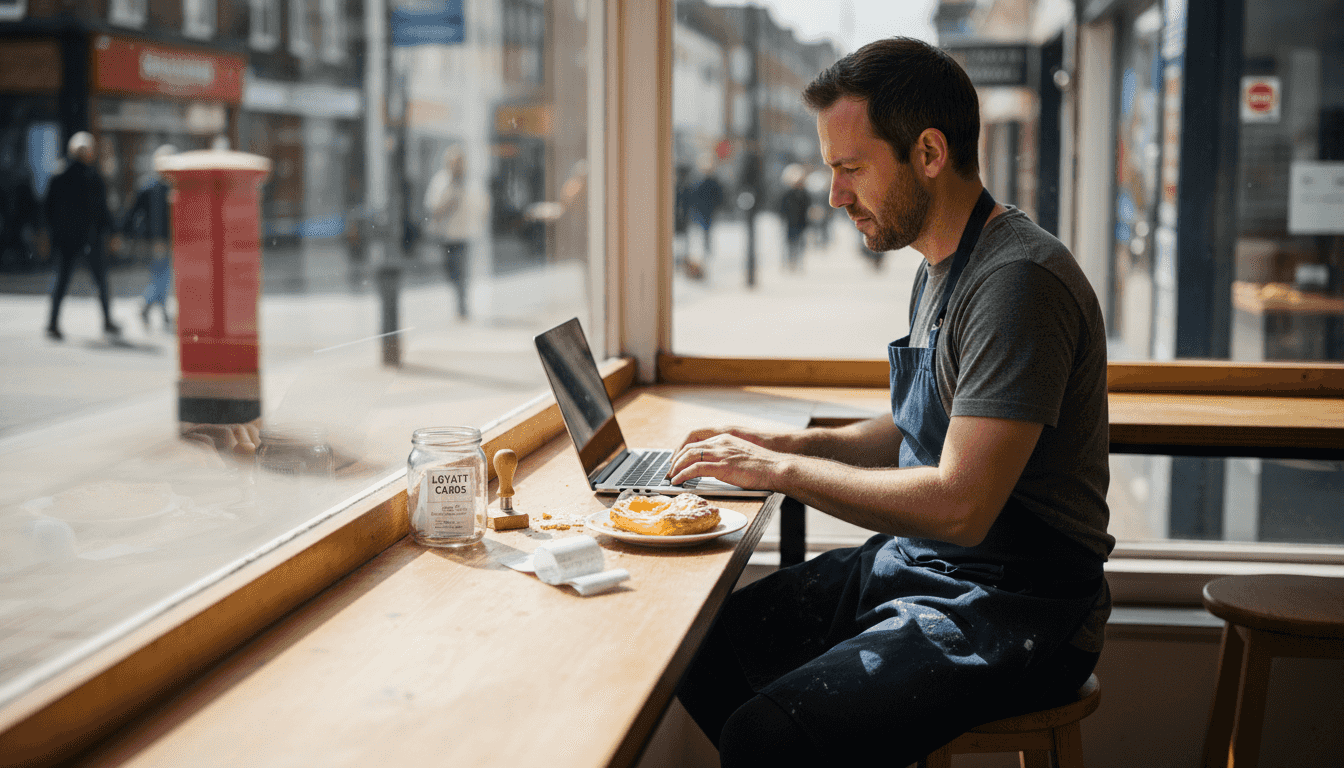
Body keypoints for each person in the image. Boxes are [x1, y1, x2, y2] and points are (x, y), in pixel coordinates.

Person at [669, 37, 1113, 767]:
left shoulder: (1018, 282)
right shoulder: (939, 264)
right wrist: (783, 445)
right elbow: (926, 425)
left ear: (929, 152)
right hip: (931, 567)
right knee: (696, 645)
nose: (835, 196)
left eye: (850, 169)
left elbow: (961, 504)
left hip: (1020, 603)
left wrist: (782, 474)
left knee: (764, 737)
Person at [44, 131, 120, 340]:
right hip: (89, 238)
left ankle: (53, 323)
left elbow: (48, 209)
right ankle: (107, 321)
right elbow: (102, 210)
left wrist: (51, 233)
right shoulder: (92, 176)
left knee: (62, 281)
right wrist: (112, 232)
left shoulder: (60, 175)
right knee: (99, 282)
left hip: (69, 239)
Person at [424, 145, 482, 319]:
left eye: (460, 162)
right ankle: (460, 302)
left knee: (462, 272)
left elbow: (479, 205)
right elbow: (432, 207)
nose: (458, 166)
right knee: (451, 271)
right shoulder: (441, 181)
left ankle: (462, 307)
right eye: (455, 162)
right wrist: (449, 204)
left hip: (465, 234)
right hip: (447, 235)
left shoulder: (470, 182)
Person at [121, 144, 176, 329]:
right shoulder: (157, 187)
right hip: (158, 240)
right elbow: (136, 213)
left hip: (162, 238)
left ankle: (163, 312)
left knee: (161, 275)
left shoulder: (161, 186)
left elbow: (132, 212)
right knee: (163, 276)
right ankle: (146, 305)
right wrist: (125, 234)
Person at [778, 163, 811, 272]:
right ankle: (790, 262)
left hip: (801, 222)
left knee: (800, 244)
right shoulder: (787, 194)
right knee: (790, 244)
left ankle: (798, 263)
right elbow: (782, 208)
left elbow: (808, 207)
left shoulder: (804, 193)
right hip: (790, 222)